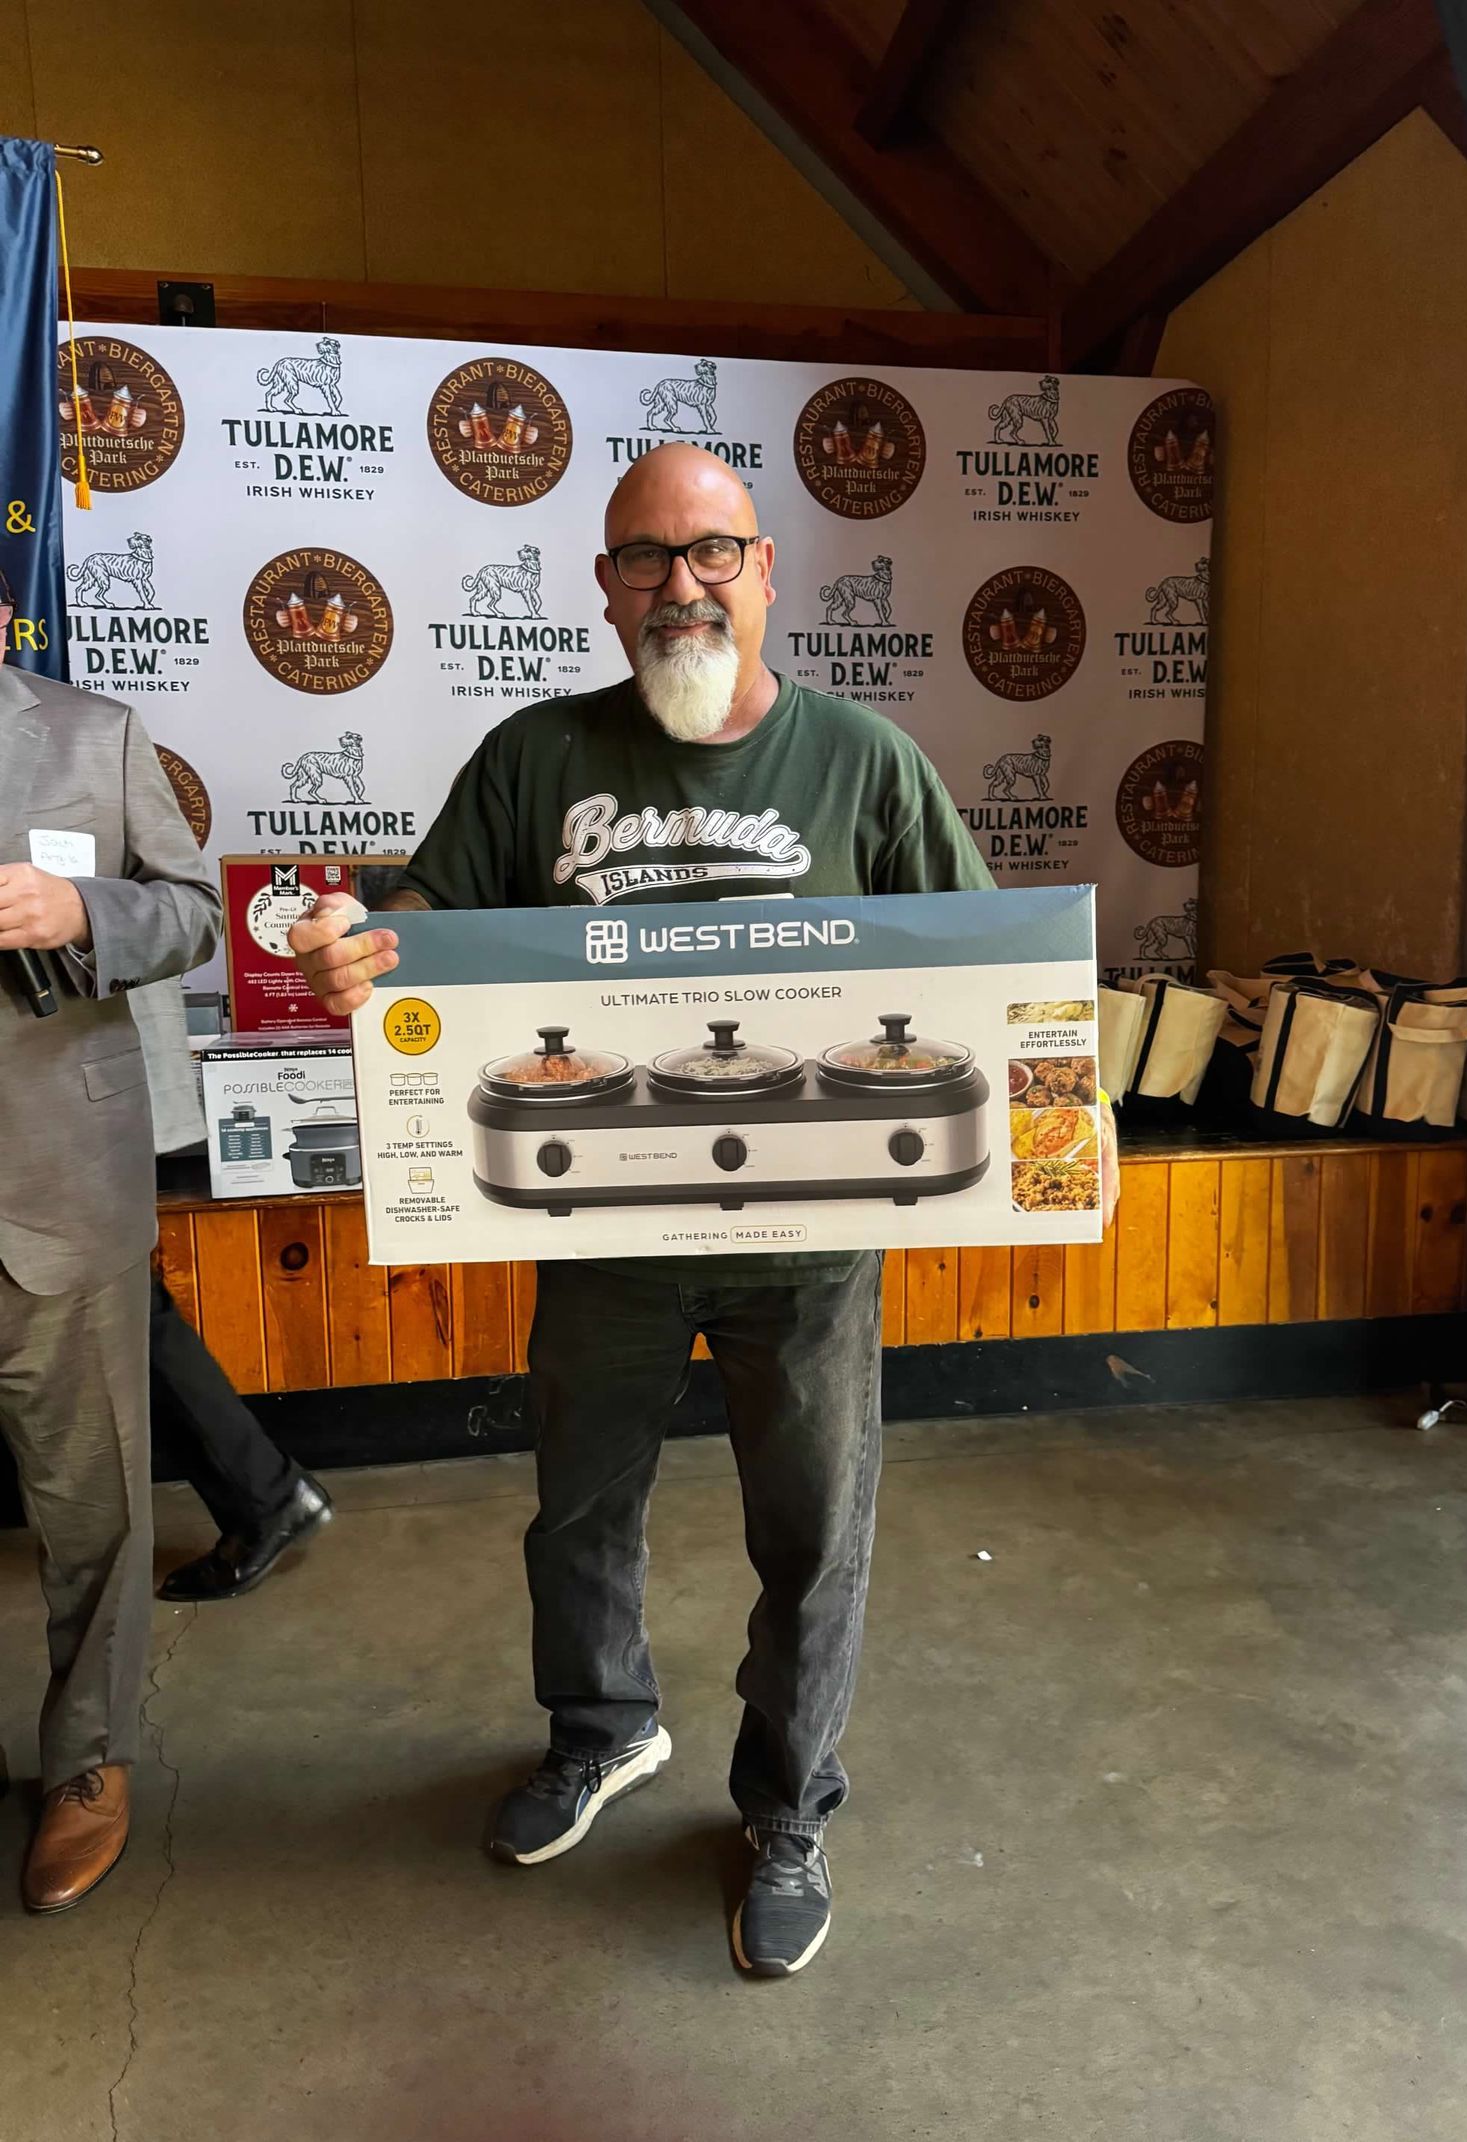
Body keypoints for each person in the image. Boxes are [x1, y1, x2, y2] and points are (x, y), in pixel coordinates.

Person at [291, 444, 1119, 1977]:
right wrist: (357, 934)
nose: (679, 584)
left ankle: (786, 1802)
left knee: (812, 1529)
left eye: (710, 551)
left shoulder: (863, 762)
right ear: (604, 590)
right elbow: (419, 917)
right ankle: (601, 1728)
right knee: (578, 1505)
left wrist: (1063, 1109)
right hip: (598, 1221)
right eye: (642, 558)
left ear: (764, 569)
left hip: (805, 1247)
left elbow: (986, 966)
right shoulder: (536, 757)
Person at [0, 579, 221, 1913]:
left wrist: (84, 918)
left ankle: (88, 1759)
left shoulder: (94, 736)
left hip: (56, 1191)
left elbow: (191, 910)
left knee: (94, 1510)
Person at [130, 978, 335, 1603]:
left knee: (122, 1310)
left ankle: (267, 1496)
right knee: (125, 1312)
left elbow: (180, 912)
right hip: (69, 1087)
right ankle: (267, 1495)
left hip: (67, 1086)